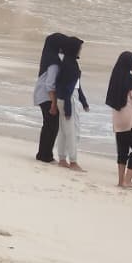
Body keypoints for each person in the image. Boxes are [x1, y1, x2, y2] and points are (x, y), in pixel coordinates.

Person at [105, 51, 132, 188]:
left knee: (122, 151)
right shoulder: (131, 80)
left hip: (118, 119)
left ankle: (121, 181)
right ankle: (128, 181)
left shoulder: (115, 78)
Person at [54, 36, 89, 170]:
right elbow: (68, 88)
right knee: (73, 131)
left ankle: (62, 158)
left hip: (63, 99)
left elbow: (76, 85)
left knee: (64, 130)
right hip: (68, 100)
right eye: (79, 48)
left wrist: (84, 101)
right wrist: (69, 107)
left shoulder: (68, 62)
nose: (80, 50)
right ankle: (73, 161)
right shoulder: (70, 65)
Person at [34, 33, 65, 163]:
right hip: (47, 96)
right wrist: (53, 103)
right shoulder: (54, 62)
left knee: (48, 125)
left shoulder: (47, 57)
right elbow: (50, 84)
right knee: (52, 126)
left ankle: (43, 153)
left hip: (41, 94)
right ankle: (45, 155)